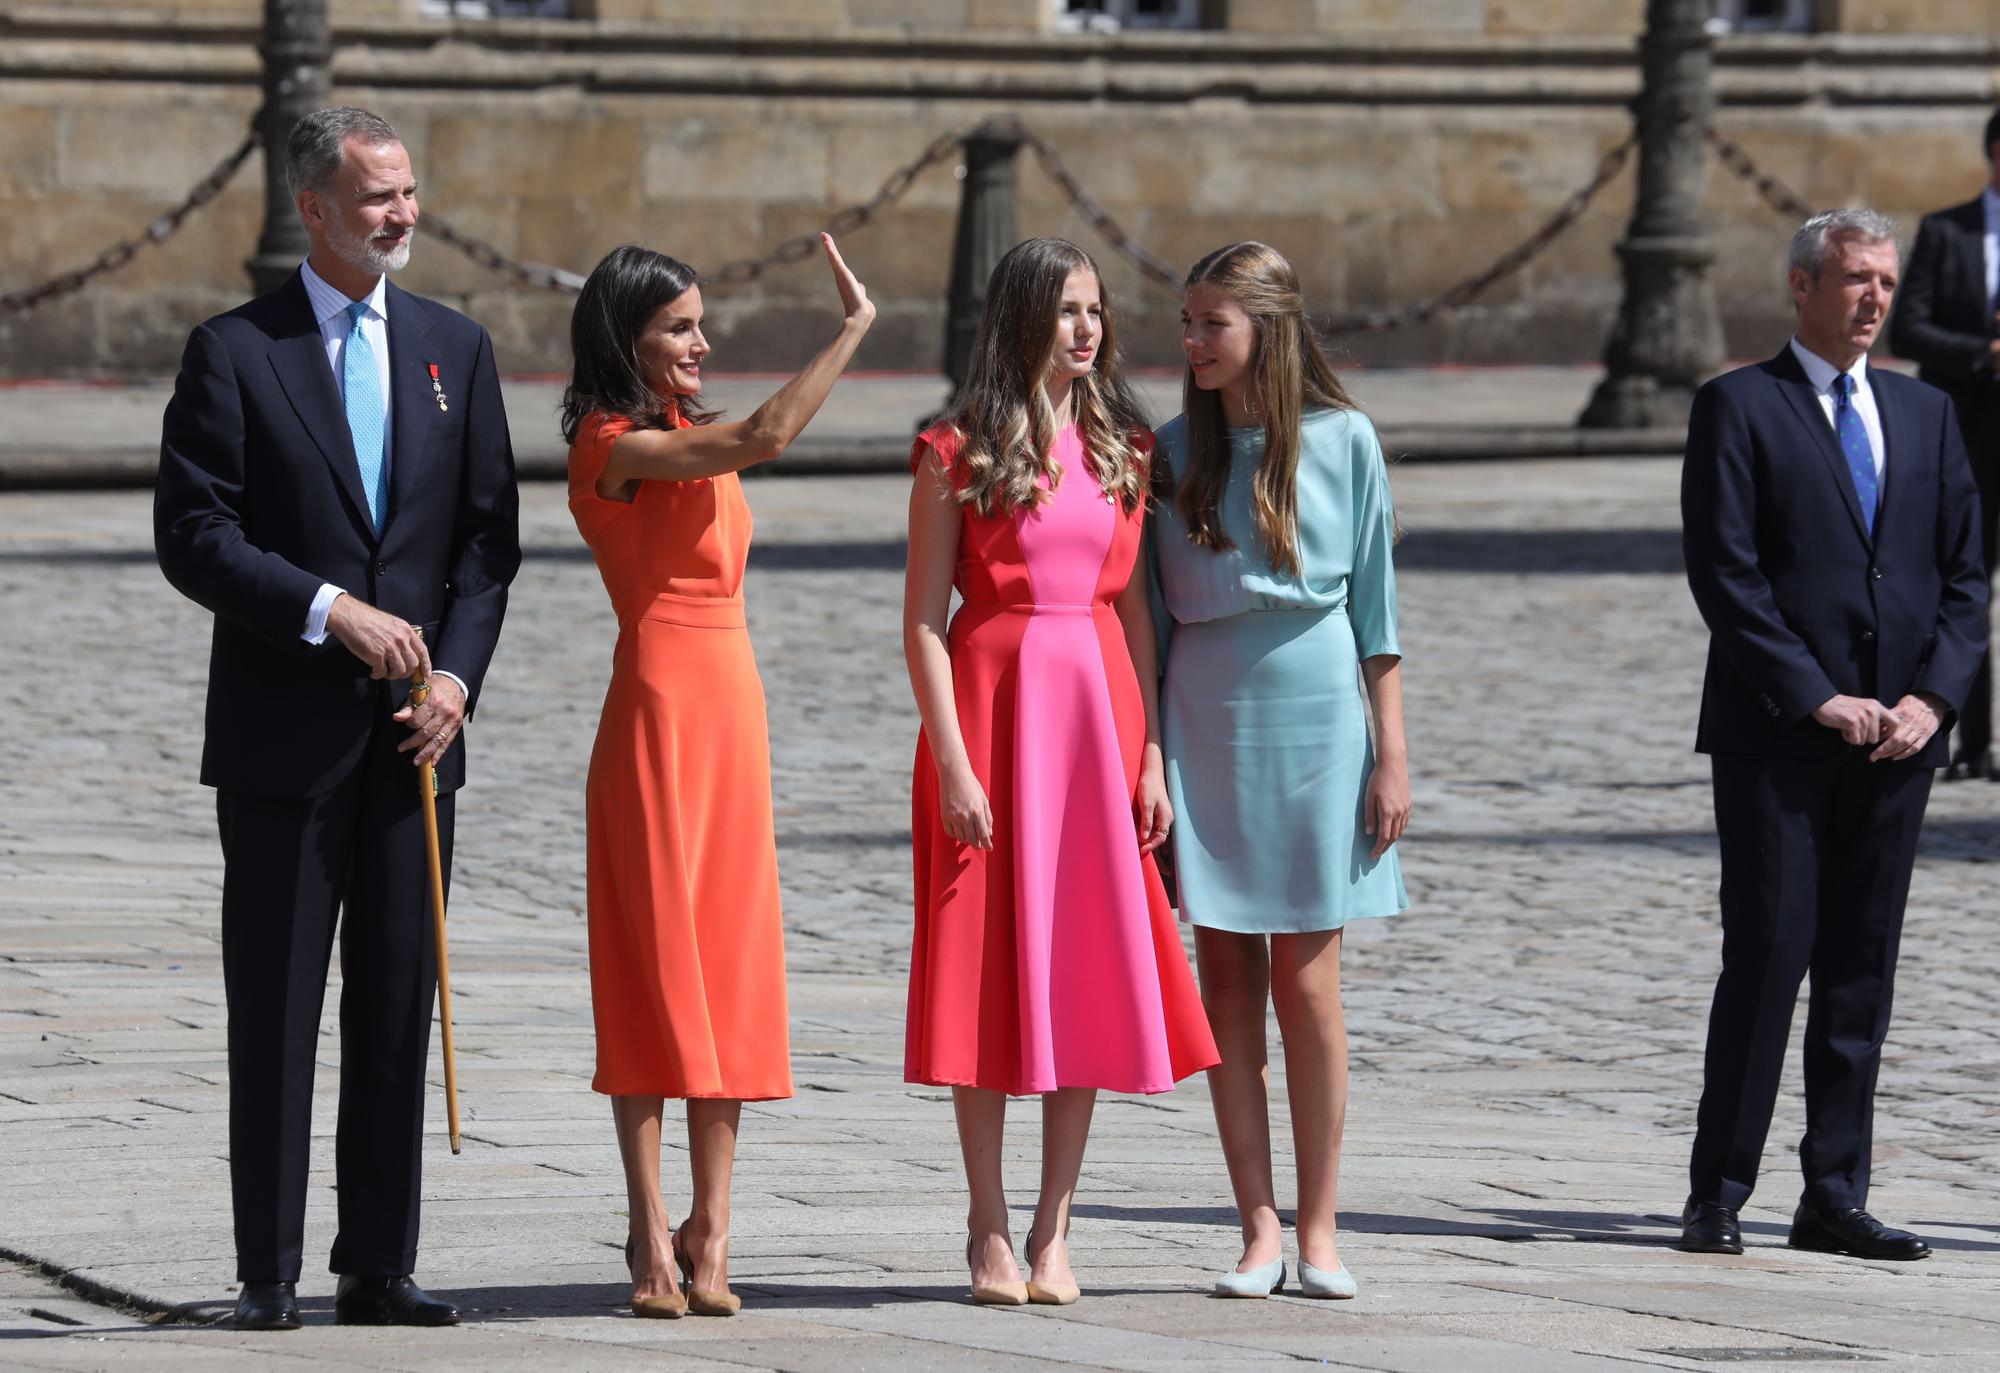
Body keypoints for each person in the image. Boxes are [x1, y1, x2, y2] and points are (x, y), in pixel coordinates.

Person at [154, 106, 520, 1331]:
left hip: (417, 744)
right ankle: (267, 1270)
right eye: (376, 197)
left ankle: (377, 1258)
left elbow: (485, 545)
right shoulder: (234, 352)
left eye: (408, 192)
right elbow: (195, 534)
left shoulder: (452, 349)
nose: (400, 215)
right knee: (277, 1003)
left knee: (394, 998)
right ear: (312, 207)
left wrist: (457, 680)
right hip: (281, 740)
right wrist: (328, 610)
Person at [903, 236, 1219, 1308]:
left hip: (1095, 725)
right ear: (1021, 318)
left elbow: (1136, 610)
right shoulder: (953, 449)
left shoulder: (1126, 449)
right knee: (986, 972)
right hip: (990, 721)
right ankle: (985, 1222)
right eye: (1065, 310)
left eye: (1094, 311)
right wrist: (951, 760)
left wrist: (1150, 755)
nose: (1085, 330)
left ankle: (1052, 1229)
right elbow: (922, 621)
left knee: (1079, 968)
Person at [564, 234, 874, 1319]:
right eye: (679, 327)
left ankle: (713, 1232)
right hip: (654, 701)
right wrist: (850, 332)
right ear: (627, 338)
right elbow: (771, 433)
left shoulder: (686, 433)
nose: (702, 342)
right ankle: (649, 1229)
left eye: (701, 323)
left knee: (728, 958)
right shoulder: (612, 443)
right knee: (656, 963)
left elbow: (741, 437)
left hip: (730, 702)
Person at [1678, 209, 1987, 1261]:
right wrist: (1816, 695)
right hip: (1780, 737)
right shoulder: (1737, 406)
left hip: (1897, 739)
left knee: (1860, 967)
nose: (1872, 298)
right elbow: (1726, 574)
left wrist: (1931, 701)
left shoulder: (1926, 411)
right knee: (1765, 956)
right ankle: (1716, 1189)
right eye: (1853, 278)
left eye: (1886, 282)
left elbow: (1959, 580)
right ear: (1801, 286)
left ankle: (1832, 1191)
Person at [1150, 242, 1409, 1301]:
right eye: (1186, 322)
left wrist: (1389, 752)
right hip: (1204, 715)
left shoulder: (1346, 442)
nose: (1193, 341)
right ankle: (1254, 1222)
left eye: (1212, 321)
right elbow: (1150, 622)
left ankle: (1318, 1224)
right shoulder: (1168, 449)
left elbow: (1377, 615)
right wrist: (1152, 758)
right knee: (1223, 983)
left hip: (1317, 718)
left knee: (1308, 983)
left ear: (1267, 325)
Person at [1887, 108, 2000, 781]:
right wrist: (1986, 354)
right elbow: (1911, 331)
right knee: (1966, 586)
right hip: (1970, 434)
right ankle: (1972, 739)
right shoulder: (1947, 231)